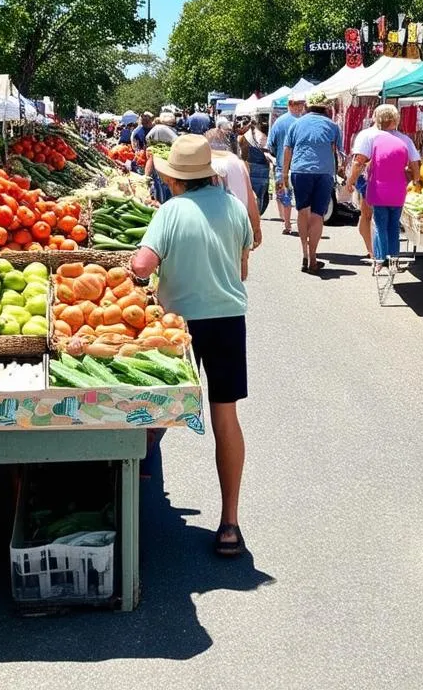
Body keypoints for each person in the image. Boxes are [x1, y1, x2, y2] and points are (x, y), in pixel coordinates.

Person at [130, 136, 252, 557]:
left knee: (156, 403)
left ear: (176, 180)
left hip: (177, 324)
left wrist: (137, 266)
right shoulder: (234, 207)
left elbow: (142, 265)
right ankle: (230, 524)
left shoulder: (170, 211)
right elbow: (243, 267)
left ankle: (136, 480)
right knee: (225, 416)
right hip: (227, 321)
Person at [282, 91, 341, 274]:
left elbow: (287, 149)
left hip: (300, 170)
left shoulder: (296, 124)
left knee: (302, 212)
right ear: (326, 107)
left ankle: (305, 253)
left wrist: (284, 174)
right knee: (317, 215)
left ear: (307, 106)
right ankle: (314, 257)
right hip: (323, 172)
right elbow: (337, 150)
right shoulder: (332, 126)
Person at [361, 104, 422, 274]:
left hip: (378, 189)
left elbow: (362, 161)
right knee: (394, 226)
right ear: (396, 120)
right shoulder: (405, 140)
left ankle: (381, 261)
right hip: (398, 190)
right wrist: (415, 179)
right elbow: (415, 164)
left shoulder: (372, 138)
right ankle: (393, 261)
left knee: (380, 226)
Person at [206, 130, 262, 249]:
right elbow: (251, 199)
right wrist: (256, 228)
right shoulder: (238, 163)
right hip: (238, 223)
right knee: (242, 260)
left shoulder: (204, 163)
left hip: (211, 224)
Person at [267, 94, 307, 235]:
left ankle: (287, 223)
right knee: (301, 196)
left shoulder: (279, 122)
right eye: (300, 104)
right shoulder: (304, 122)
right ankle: (302, 223)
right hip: (301, 166)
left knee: (283, 195)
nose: (301, 106)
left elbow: (270, 145)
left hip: (280, 166)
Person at [345, 119, 380, 262]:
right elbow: (359, 162)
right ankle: (372, 250)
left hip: (369, 179)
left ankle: (371, 250)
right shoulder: (395, 135)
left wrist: (351, 180)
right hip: (375, 179)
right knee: (369, 215)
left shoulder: (366, 135)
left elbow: (358, 162)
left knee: (367, 215)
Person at [239, 118, 273, 215]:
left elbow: (243, 155)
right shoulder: (265, 136)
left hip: (251, 167)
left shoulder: (246, 137)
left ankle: (251, 217)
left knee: (250, 195)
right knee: (260, 195)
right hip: (263, 168)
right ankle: (257, 217)